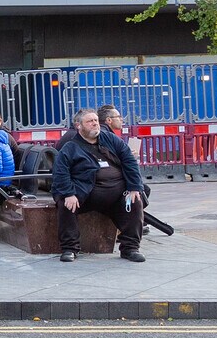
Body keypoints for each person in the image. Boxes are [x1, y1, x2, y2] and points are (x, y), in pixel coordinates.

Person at [51, 108, 146, 263]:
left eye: (96, 120)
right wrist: (69, 193)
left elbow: (129, 160)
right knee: (66, 204)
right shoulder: (70, 147)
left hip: (117, 193)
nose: (95, 124)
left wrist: (134, 187)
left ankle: (130, 248)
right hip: (84, 193)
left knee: (134, 201)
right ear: (79, 126)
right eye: (90, 121)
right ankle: (70, 249)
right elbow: (60, 173)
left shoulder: (110, 138)